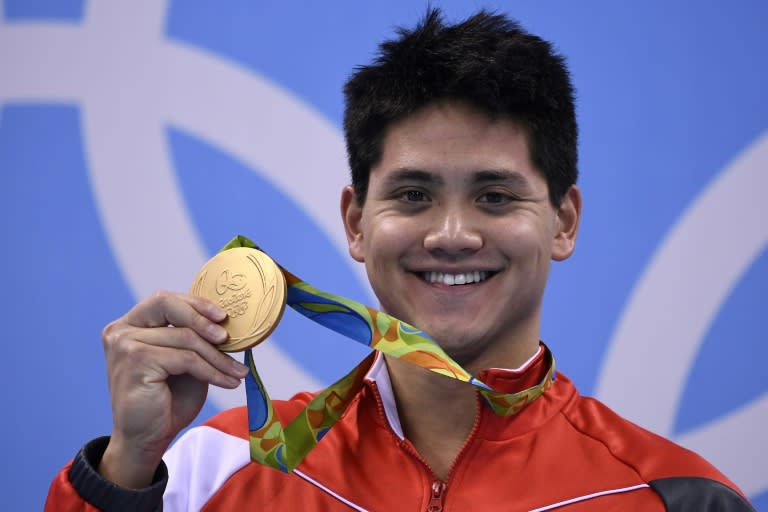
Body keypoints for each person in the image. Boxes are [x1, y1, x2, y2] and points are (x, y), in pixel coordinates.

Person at [46, 8, 754, 511]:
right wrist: (125, 475)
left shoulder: (676, 497)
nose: (450, 233)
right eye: (413, 195)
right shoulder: (208, 472)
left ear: (563, 222)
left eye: (495, 197)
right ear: (357, 222)